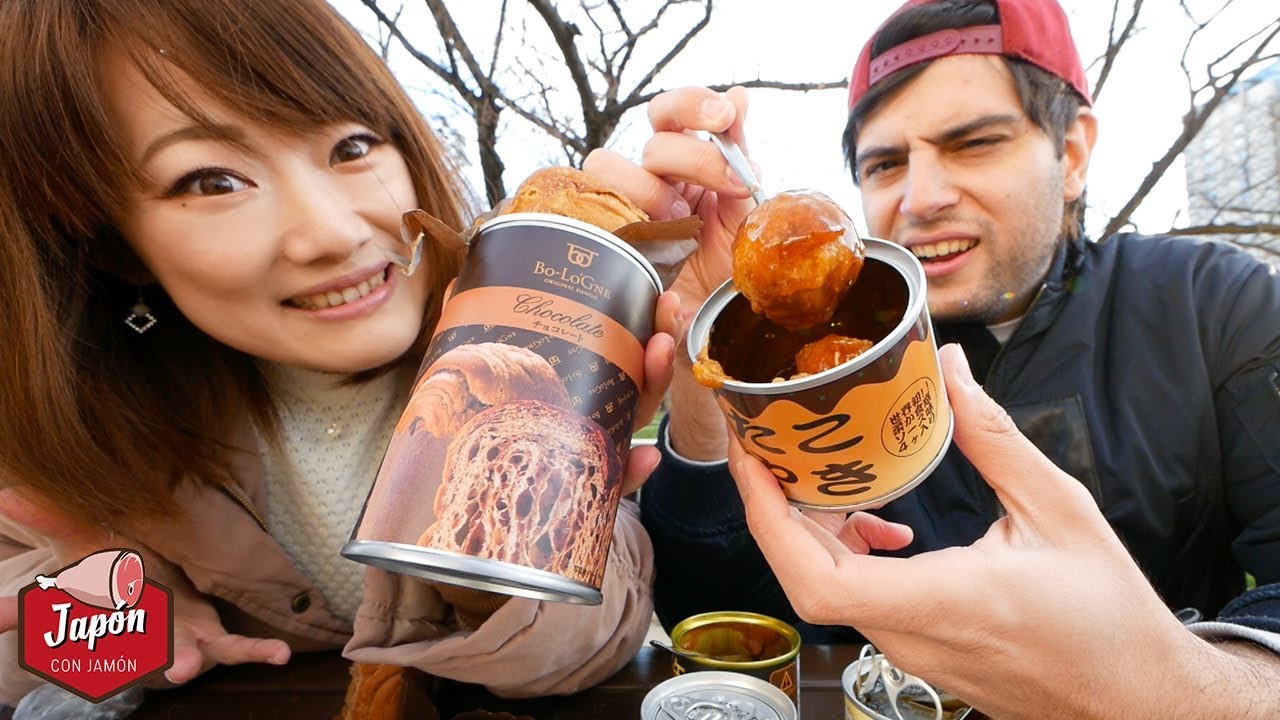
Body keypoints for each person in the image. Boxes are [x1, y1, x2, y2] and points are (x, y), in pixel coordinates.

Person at [584, 0, 1280, 715]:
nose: (921, 199)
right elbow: (724, 620)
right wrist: (703, 353)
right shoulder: (798, 355)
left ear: (1071, 154)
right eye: (886, 164)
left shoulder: (1213, 305)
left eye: (974, 143)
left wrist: (1167, 685)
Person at [0, 0, 680, 710]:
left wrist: (495, 559)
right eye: (212, 182)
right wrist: (126, 629)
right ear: (113, 245)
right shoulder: (75, 424)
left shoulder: (518, 364)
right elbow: (15, 647)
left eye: (351, 147)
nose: (332, 233)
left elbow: (596, 639)